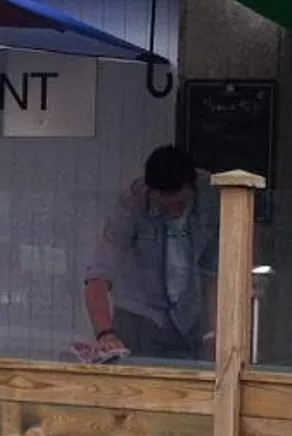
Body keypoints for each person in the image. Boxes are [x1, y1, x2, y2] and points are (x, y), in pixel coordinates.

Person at [83, 144, 220, 361]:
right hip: (139, 318)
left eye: (180, 204)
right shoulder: (131, 202)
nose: (173, 213)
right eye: (164, 206)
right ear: (150, 191)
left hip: (192, 318)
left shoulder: (213, 195)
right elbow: (98, 275)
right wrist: (105, 334)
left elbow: (216, 271)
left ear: (192, 188)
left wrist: (216, 330)